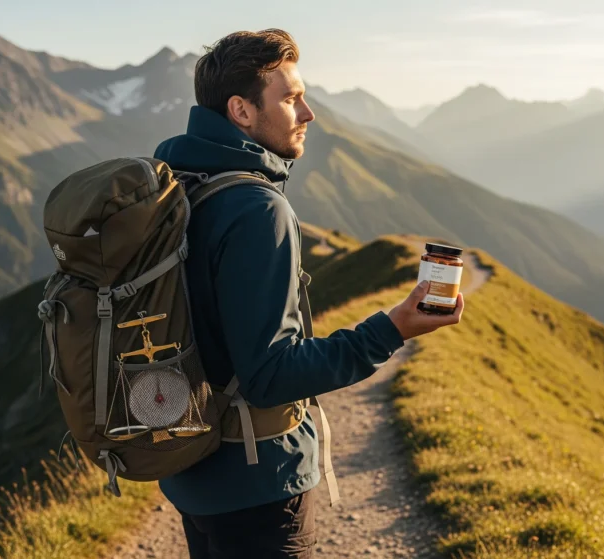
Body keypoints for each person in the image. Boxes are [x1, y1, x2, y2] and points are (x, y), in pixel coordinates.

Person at [152, 29, 465, 558]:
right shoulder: (256, 208)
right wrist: (392, 329)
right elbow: (271, 375)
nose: (309, 113)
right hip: (255, 484)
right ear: (242, 111)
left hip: (194, 472)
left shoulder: (180, 181)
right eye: (292, 98)